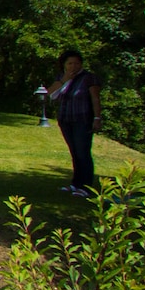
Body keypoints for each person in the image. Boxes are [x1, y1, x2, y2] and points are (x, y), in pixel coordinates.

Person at [50, 49, 103, 191]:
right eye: (70, 63)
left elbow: (95, 98)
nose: (73, 66)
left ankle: (85, 187)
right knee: (74, 152)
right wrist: (64, 80)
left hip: (82, 119)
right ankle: (76, 183)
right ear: (64, 65)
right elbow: (49, 95)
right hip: (66, 119)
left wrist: (97, 117)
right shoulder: (62, 78)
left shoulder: (89, 78)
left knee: (82, 152)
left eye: (76, 63)